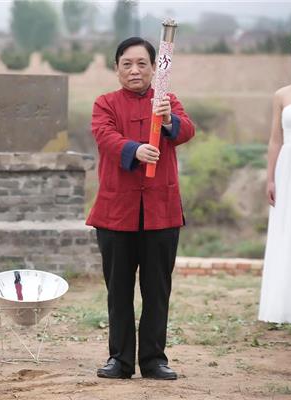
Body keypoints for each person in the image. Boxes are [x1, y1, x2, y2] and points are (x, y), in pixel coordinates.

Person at [87, 37, 195, 380]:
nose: (135, 70)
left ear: (153, 68)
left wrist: (167, 121)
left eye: (142, 63)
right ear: (117, 68)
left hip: (161, 212)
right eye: (127, 64)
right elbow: (104, 137)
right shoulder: (105, 103)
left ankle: (153, 360)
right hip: (116, 213)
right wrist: (134, 150)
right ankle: (119, 360)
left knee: (157, 290)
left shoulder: (167, 101)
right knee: (118, 291)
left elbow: (186, 130)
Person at [259, 32, 291, 324]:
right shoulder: (282, 95)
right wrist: (271, 178)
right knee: (290, 228)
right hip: (290, 168)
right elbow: (275, 139)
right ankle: (288, 303)